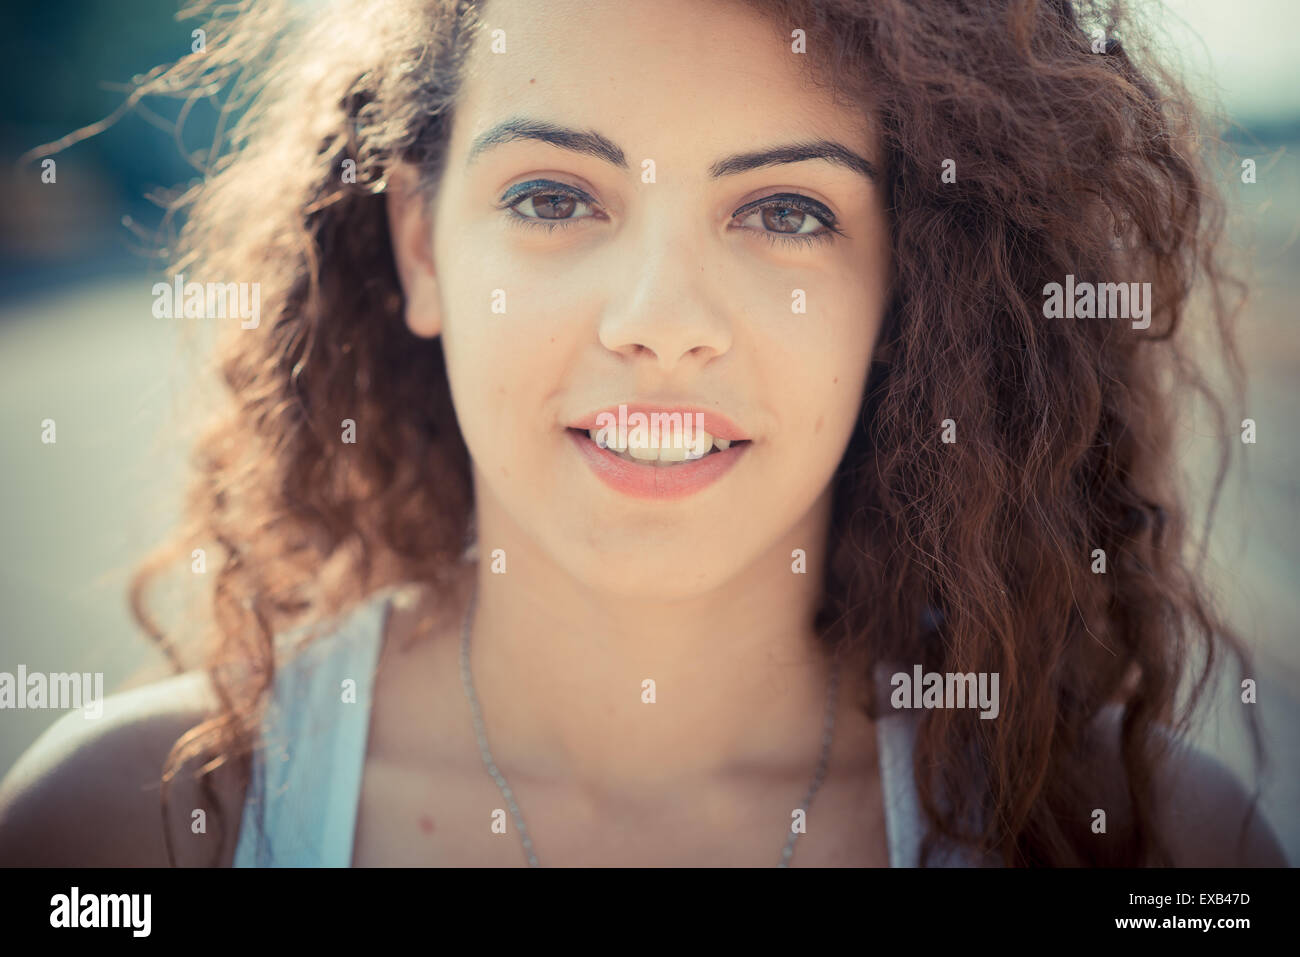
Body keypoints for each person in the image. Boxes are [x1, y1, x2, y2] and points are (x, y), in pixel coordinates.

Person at [0, 0, 1287, 867]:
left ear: (912, 287)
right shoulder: (133, 826)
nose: (659, 324)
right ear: (417, 245)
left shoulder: (1145, 837)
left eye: (785, 211)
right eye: (555, 196)